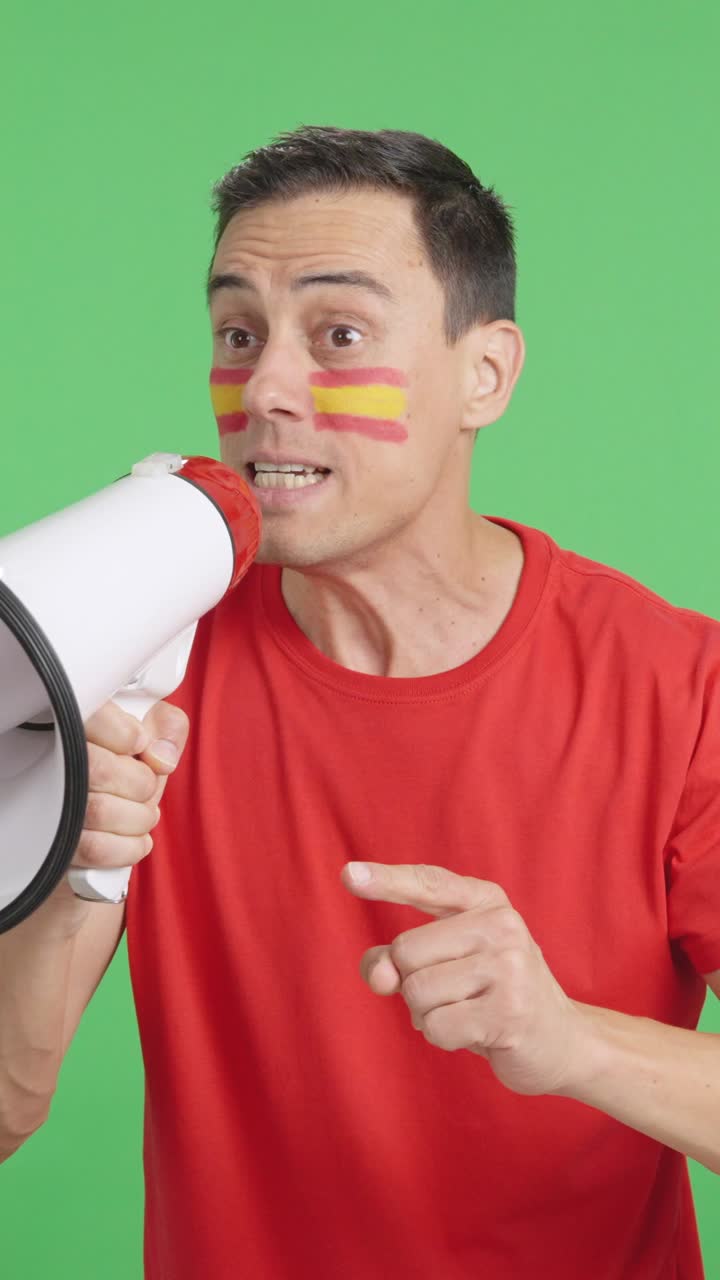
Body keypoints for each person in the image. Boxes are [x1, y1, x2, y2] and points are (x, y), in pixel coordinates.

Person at [1, 126, 719, 1280]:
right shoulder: (141, 659)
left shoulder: (681, 686)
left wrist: (568, 1037)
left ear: (484, 374)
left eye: (338, 336)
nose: (266, 388)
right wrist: (68, 865)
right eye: (239, 334)